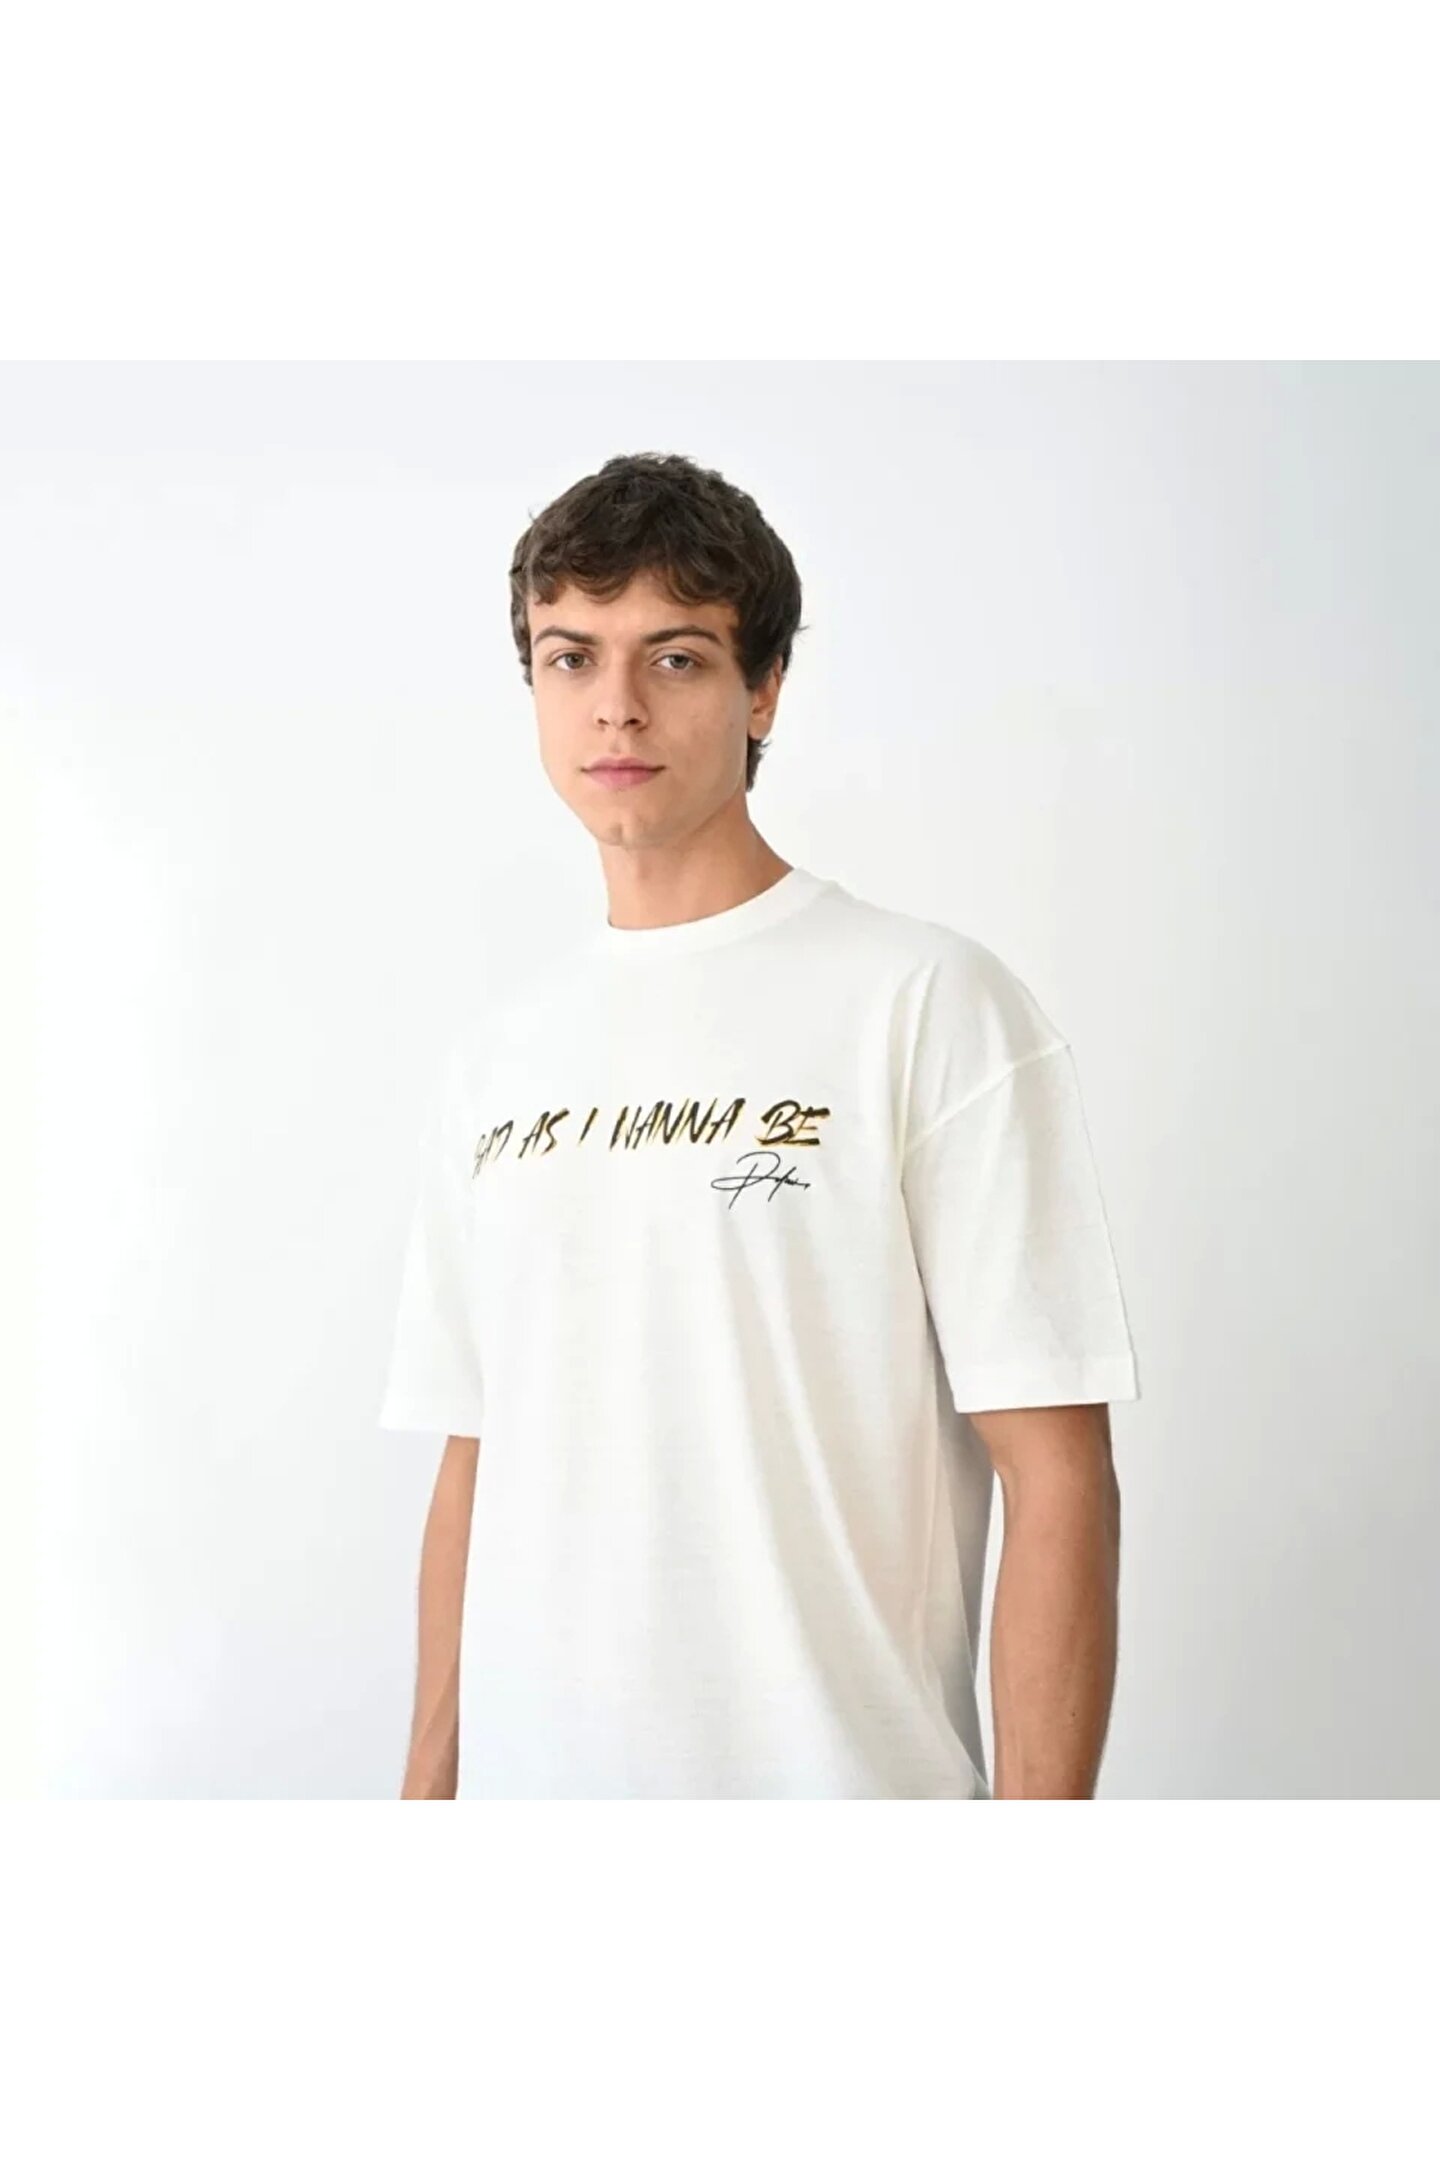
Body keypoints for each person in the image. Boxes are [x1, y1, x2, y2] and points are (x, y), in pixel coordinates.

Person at [378, 450, 1141, 1800]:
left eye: (674, 658)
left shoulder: (928, 1003)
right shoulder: (496, 1061)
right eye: (570, 657)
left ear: (764, 687)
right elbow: (473, 1458)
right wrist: (424, 1799)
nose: (615, 704)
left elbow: (1058, 1471)